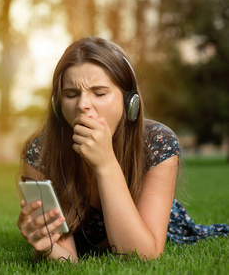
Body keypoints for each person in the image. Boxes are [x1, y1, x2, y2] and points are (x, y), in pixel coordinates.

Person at [16, 37, 228, 261]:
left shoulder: (158, 142)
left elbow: (141, 256)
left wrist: (105, 164)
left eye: (99, 93)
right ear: (57, 106)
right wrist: (47, 247)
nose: (82, 105)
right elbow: (68, 260)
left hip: (150, 233)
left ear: (130, 102)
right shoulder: (40, 151)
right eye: (71, 94)